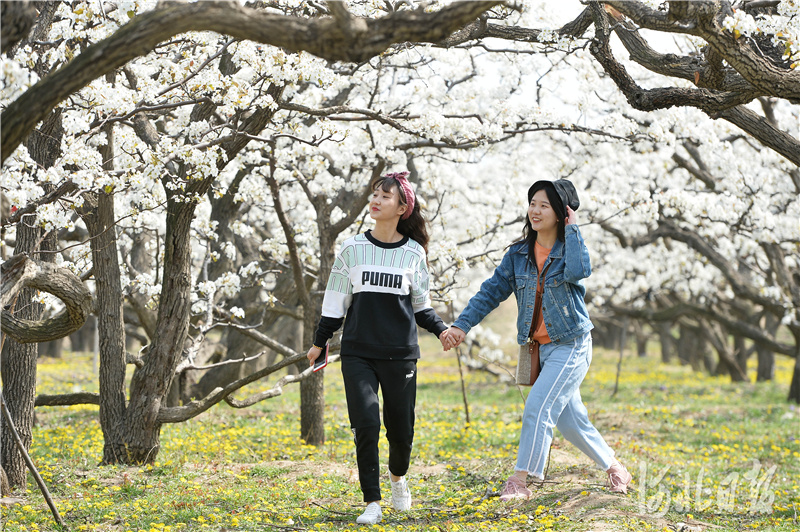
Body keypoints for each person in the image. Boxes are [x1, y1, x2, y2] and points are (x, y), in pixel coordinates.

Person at [442, 179, 632, 499]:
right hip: (539, 349)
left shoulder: (568, 250)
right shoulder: (518, 255)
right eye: (532, 203)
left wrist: (573, 230)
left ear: (560, 213)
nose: (535, 210)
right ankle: (615, 468)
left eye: (544, 205)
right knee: (571, 422)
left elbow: (580, 270)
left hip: (571, 344)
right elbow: (490, 292)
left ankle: (520, 481)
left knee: (538, 407)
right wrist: (463, 325)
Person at [307, 171, 451, 524]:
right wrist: (318, 342)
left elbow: (421, 306)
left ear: (402, 208)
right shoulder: (353, 248)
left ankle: (398, 478)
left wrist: (442, 330)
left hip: (401, 354)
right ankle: (372, 500)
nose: (376, 200)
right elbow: (335, 300)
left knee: (401, 431)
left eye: (386, 197)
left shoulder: (414, 253)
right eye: (375, 194)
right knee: (366, 423)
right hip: (358, 352)